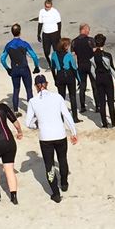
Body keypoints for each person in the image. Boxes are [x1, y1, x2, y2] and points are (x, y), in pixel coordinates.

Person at [23, 73, 78, 203]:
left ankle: (55, 193)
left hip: (45, 137)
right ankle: (64, 182)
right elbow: (67, 115)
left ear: (36, 86)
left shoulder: (33, 101)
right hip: (60, 134)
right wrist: (73, 132)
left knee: (49, 165)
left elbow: (27, 123)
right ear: (47, 84)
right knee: (62, 159)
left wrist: (36, 124)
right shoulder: (57, 97)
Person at [0, 23, 40, 112]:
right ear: (20, 32)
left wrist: (7, 69)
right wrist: (36, 66)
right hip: (24, 68)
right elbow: (34, 56)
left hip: (14, 69)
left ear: (12, 32)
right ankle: (31, 111)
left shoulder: (8, 45)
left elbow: (2, 59)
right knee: (28, 89)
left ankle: (15, 111)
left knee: (16, 90)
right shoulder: (24, 44)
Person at [90, 32, 115, 128]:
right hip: (107, 78)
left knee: (102, 102)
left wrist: (97, 78)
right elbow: (111, 68)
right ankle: (114, 124)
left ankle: (104, 124)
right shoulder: (107, 55)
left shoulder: (93, 56)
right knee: (110, 102)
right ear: (104, 43)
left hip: (99, 78)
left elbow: (92, 70)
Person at [49, 37, 81, 118]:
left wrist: (55, 79)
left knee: (61, 98)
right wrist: (79, 80)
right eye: (68, 45)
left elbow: (53, 68)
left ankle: (61, 117)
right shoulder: (69, 55)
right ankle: (75, 118)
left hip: (59, 76)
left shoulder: (54, 54)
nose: (69, 47)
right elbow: (74, 68)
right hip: (69, 76)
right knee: (72, 96)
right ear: (65, 46)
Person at [70, 24, 95, 115]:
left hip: (80, 65)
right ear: (84, 30)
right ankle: (98, 106)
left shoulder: (74, 41)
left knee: (82, 86)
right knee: (94, 85)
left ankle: (83, 106)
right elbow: (95, 52)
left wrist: (74, 67)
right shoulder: (90, 40)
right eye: (88, 30)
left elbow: (73, 56)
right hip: (90, 65)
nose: (89, 32)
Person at [37, 0, 62, 66]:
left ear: (51, 6)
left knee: (56, 50)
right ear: (44, 5)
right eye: (46, 7)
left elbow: (59, 23)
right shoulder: (41, 11)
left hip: (54, 33)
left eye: (49, 7)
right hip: (45, 34)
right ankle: (51, 64)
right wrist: (38, 34)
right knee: (46, 51)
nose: (47, 8)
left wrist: (59, 34)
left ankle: (58, 64)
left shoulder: (55, 11)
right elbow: (40, 23)